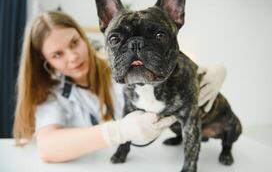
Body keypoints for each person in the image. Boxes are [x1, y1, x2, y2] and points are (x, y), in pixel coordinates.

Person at [13, 11, 226, 163]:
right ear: (45, 60)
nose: (73, 56)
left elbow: (173, 68)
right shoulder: (49, 93)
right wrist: (117, 132)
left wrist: (213, 70)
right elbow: (48, 148)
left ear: (83, 36)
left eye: (74, 43)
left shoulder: (120, 68)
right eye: (57, 54)